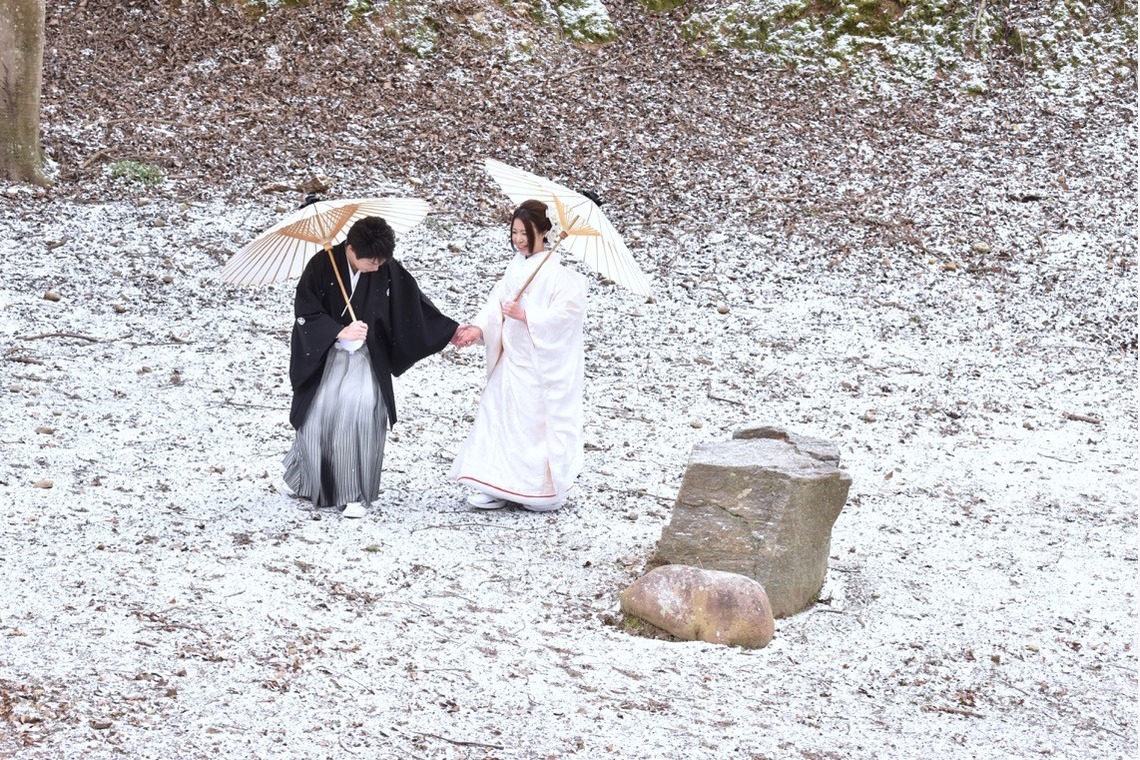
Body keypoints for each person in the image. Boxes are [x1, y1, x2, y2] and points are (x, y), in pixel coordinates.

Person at [284, 216, 459, 518]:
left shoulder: (385, 267)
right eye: (371, 262)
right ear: (351, 249)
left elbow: (414, 304)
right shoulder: (320, 266)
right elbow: (306, 311)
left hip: (367, 357)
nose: (377, 268)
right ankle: (306, 478)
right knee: (318, 414)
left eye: (381, 262)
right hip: (328, 357)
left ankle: (353, 492)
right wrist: (338, 331)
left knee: (362, 412)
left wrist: (450, 330)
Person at [449, 199, 587, 511]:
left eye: (527, 232)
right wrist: (479, 330)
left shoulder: (561, 276)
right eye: (515, 231)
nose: (520, 239)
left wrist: (528, 315)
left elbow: (567, 316)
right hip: (511, 360)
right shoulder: (516, 267)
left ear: (544, 232)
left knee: (533, 429)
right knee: (497, 420)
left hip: (540, 367)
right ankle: (495, 484)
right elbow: (496, 302)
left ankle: (539, 491)